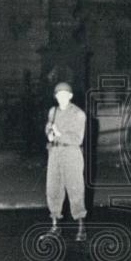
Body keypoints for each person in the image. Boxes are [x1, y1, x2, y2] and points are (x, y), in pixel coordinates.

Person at [44, 82, 88, 241]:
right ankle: (55, 226)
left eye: (65, 95)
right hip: (54, 153)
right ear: (55, 97)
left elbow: (77, 138)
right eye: (58, 95)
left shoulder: (78, 114)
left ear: (70, 96)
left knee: (75, 189)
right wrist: (49, 133)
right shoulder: (53, 111)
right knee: (53, 189)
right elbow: (49, 126)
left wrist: (58, 133)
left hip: (71, 153)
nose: (61, 98)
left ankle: (81, 227)